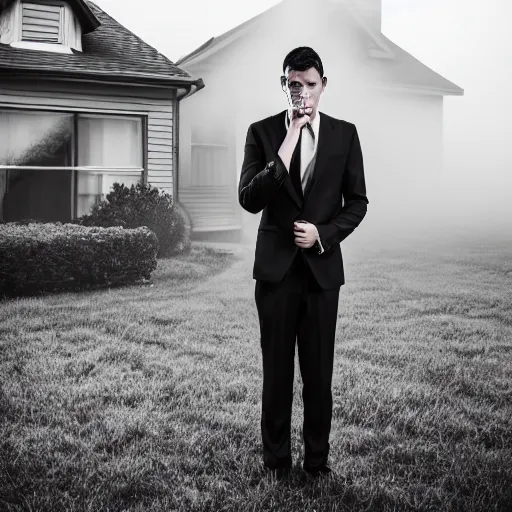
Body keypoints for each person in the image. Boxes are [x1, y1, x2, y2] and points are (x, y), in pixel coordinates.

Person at [238, 46, 368, 480]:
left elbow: (358, 203)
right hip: (275, 273)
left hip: (321, 273)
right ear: (284, 85)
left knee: (318, 377)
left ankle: (317, 464)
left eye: (311, 85)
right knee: (276, 375)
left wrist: (323, 236)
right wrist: (290, 137)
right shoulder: (261, 132)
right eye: (295, 85)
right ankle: (277, 465)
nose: (304, 93)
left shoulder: (346, 135)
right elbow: (250, 199)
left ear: (323, 85)